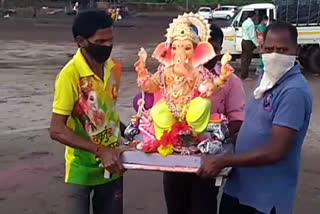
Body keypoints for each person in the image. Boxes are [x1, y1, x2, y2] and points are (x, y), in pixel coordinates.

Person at [198, 22, 313, 214]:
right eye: (269, 49)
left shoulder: (293, 91)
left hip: (264, 197)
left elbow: (276, 151)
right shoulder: (266, 79)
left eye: (282, 50)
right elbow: (251, 124)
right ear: (261, 49)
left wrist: (225, 161)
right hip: (240, 189)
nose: (275, 55)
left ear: (297, 51)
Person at [50, 10, 129, 214]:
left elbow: (107, 112)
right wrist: (99, 151)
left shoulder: (114, 68)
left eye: (110, 40)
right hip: (80, 170)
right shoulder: (69, 76)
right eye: (100, 41)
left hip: (113, 166)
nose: (107, 46)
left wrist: (131, 133)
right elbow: (57, 129)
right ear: (81, 41)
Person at [162, 23, 246, 214]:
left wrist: (213, 137)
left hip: (208, 162)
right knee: (176, 208)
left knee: (203, 208)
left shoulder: (230, 81)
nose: (207, 53)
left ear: (220, 50)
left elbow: (237, 119)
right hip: (175, 158)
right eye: (202, 47)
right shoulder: (174, 75)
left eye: (214, 48)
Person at [241, 11, 259, 80]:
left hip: (244, 41)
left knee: (244, 59)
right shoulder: (251, 24)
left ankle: (243, 75)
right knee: (247, 60)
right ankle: (245, 76)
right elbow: (252, 36)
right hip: (248, 42)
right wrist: (257, 44)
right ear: (253, 16)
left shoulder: (244, 22)